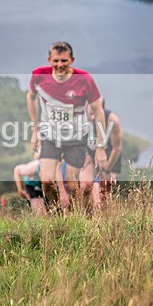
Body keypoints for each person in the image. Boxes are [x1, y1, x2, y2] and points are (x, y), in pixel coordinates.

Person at [26, 41, 107, 212]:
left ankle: (76, 216)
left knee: (71, 184)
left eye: (64, 61)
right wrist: (35, 129)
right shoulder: (39, 75)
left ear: (72, 60)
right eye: (56, 61)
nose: (59, 65)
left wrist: (100, 147)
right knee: (46, 181)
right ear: (49, 59)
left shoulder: (84, 79)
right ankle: (57, 214)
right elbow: (31, 97)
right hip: (50, 135)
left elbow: (98, 112)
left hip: (76, 137)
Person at [90, 99, 123, 207]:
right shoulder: (83, 117)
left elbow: (117, 148)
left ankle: (105, 214)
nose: (92, 118)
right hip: (92, 151)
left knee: (105, 189)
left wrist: (107, 169)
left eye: (94, 114)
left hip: (111, 154)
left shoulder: (113, 121)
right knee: (90, 185)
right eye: (89, 114)